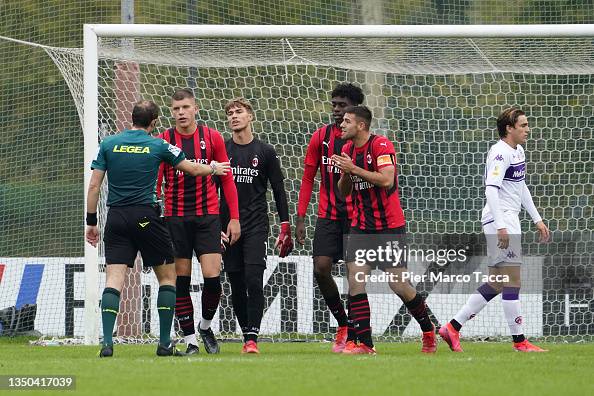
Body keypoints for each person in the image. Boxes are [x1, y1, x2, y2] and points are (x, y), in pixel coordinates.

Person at [85, 100, 230, 357]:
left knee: (114, 280)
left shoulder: (108, 144)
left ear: (132, 118)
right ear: (153, 123)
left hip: (116, 219)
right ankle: (164, 343)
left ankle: (107, 343)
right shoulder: (158, 144)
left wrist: (92, 222)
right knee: (168, 278)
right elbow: (193, 169)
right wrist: (214, 168)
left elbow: (94, 186)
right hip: (146, 218)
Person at [439, 108, 550, 353]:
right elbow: (491, 190)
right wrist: (501, 225)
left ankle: (452, 327)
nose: (527, 129)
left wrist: (537, 219)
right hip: (501, 220)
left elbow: (520, 187)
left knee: (497, 283)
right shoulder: (499, 153)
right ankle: (520, 342)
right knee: (513, 281)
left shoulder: (518, 150)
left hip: (509, 219)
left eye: (527, 124)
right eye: (523, 125)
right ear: (509, 128)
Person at [332, 105, 437, 354]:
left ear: (361, 125)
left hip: (389, 227)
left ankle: (428, 330)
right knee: (355, 282)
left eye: (347, 121)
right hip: (360, 227)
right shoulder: (347, 150)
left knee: (399, 285)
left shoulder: (381, 146)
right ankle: (365, 345)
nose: (341, 125)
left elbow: (387, 179)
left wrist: (354, 169)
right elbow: (343, 191)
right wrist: (346, 173)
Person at [156, 89, 240, 354]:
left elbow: (226, 178)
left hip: (208, 218)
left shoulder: (212, 137)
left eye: (185, 107)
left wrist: (234, 218)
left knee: (212, 278)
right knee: (181, 280)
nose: (180, 112)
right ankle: (190, 340)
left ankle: (205, 326)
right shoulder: (164, 140)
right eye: (176, 108)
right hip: (176, 219)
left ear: (196, 109)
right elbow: (157, 180)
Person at [220, 98, 293, 354]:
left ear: (250, 116)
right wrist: (215, 224)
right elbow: (211, 189)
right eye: (229, 113)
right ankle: (246, 335)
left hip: (256, 226)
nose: (233, 117)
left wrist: (285, 225)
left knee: (253, 279)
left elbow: (279, 190)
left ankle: (252, 338)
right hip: (227, 227)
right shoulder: (222, 150)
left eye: (239, 112)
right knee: (236, 283)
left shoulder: (265, 151)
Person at [295, 83, 364, 353]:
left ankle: (358, 333)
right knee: (321, 267)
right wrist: (301, 217)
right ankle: (344, 324)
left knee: (355, 274)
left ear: (356, 109)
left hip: (357, 216)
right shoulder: (320, 137)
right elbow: (308, 177)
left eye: (342, 105)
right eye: (334, 104)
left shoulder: (364, 141)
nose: (336, 110)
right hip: (328, 215)